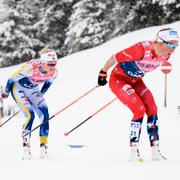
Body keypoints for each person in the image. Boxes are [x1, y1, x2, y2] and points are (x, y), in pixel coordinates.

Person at [97, 28, 179, 162]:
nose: (173, 49)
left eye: (176, 45)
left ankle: (155, 151)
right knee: (139, 109)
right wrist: (103, 72)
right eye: (170, 44)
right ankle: (134, 152)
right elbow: (114, 57)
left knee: (152, 108)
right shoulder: (140, 50)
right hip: (119, 80)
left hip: (137, 81)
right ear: (159, 42)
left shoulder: (167, 54)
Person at [2, 48, 58, 160]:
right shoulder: (30, 68)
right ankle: (26, 150)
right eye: (50, 64)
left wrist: (38, 97)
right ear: (43, 62)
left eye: (54, 63)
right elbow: (11, 79)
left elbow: (47, 84)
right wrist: (6, 93)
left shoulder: (54, 73)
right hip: (19, 89)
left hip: (33, 91)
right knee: (30, 115)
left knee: (45, 116)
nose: (52, 67)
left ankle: (43, 150)